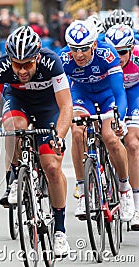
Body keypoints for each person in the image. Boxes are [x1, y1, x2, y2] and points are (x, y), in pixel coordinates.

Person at [0, 26, 72, 257]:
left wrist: (60, 137)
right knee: (15, 127)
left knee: (52, 167)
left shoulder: (52, 63)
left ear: (37, 58)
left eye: (28, 64)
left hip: (48, 108)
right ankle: (15, 175)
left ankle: (60, 231)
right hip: (18, 103)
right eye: (17, 64)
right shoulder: (1, 67)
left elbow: (66, 106)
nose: (22, 70)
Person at [59, 20, 135, 222]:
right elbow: (61, 95)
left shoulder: (107, 54)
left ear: (94, 45)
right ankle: (83, 190)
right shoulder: (64, 58)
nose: (79, 54)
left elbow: (120, 92)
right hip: (81, 95)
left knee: (110, 137)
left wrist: (118, 119)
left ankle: (124, 188)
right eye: (75, 49)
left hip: (107, 96)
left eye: (84, 48)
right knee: (77, 133)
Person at [105, 24, 139, 230]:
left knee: (133, 143)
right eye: (114, 52)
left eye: (123, 52)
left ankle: (136, 205)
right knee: (109, 139)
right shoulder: (104, 59)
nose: (119, 56)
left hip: (134, 95)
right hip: (111, 95)